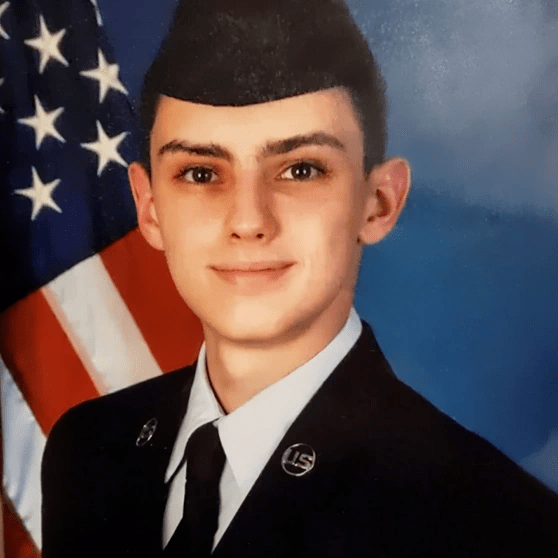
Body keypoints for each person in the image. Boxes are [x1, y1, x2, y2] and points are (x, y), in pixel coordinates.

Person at [41, 0, 558, 556]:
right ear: (149, 209)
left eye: (301, 169)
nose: (248, 221)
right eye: (201, 173)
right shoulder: (88, 449)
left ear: (378, 202)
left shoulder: (495, 523)